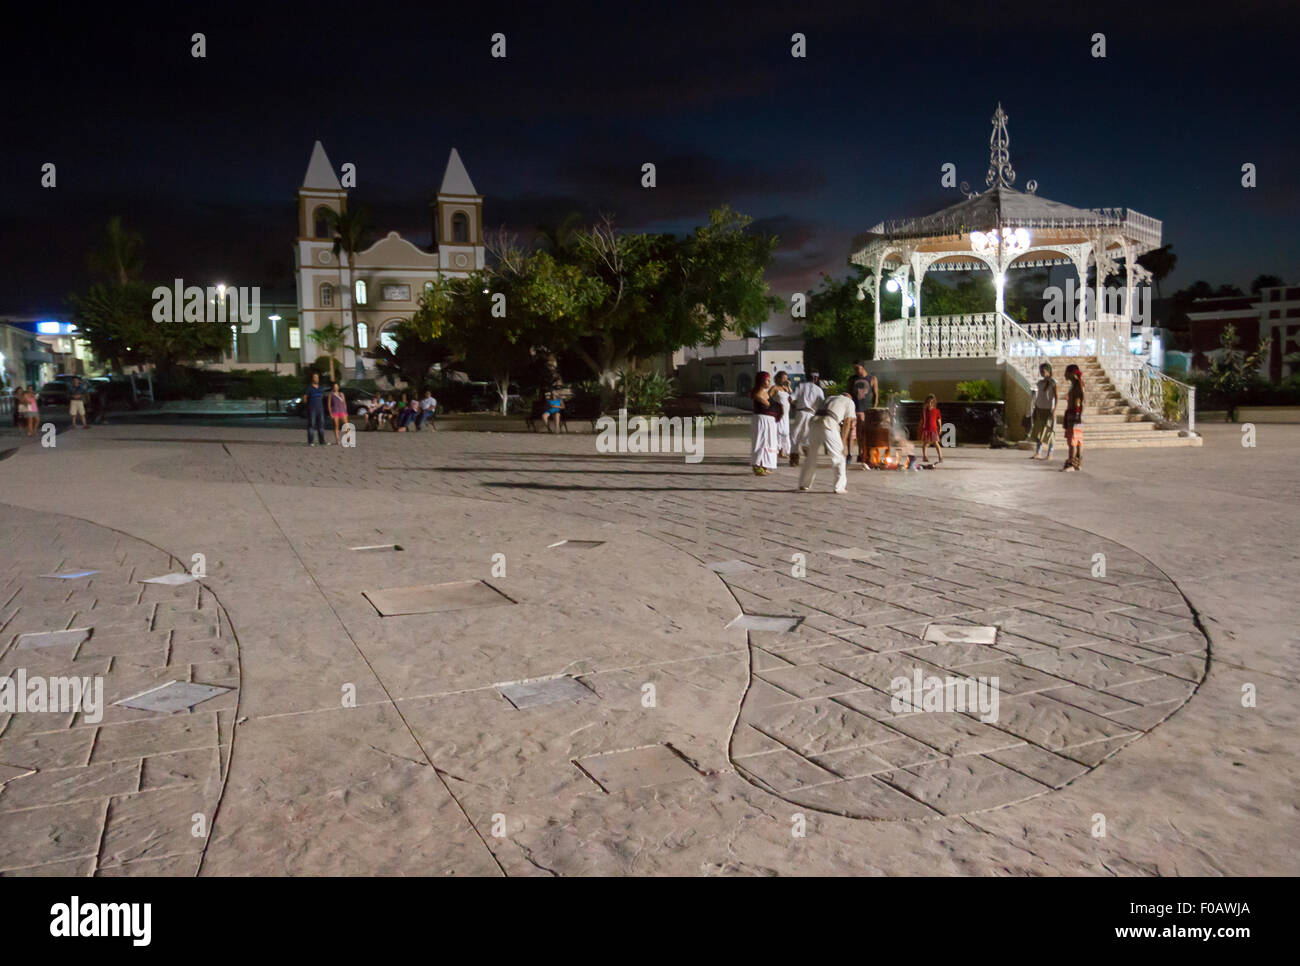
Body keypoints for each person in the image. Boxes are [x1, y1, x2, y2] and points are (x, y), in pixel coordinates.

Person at [798, 391, 856, 493]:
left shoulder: (830, 398)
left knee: (812, 456)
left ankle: (804, 484)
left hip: (814, 423)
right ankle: (839, 487)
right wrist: (843, 443)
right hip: (829, 423)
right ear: (849, 397)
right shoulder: (849, 402)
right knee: (839, 457)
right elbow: (847, 423)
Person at [788, 371, 824, 467]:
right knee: (807, 434)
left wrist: (794, 406)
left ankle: (794, 457)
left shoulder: (801, 386)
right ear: (816, 379)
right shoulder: (819, 390)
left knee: (795, 434)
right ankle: (806, 449)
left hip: (800, 412)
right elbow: (822, 405)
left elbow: (791, 398)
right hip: (811, 414)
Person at [750, 371, 781, 475]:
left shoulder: (765, 393)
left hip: (768, 421)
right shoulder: (758, 394)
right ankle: (757, 466)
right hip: (762, 421)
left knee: (767, 442)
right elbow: (766, 404)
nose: (769, 382)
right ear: (761, 381)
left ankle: (764, 465)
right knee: (761, 441)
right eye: (767, 380)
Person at [849, 362, 878, 465]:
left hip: (866, 410)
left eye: (858, 368)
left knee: (865, 434)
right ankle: (858, 453)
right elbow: (848, 393)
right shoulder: (852, 379)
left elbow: (876, 395)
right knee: (855, 434)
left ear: (863, 367)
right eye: (855, 369)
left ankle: (866, 454)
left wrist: (873, 409)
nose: (856, 371)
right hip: (854, 410)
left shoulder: (872, 379)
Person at [1029, 362, 1057, 461]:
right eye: (1040, 371)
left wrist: (1054, 409)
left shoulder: (1053, 382)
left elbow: (1056, 397)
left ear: (1048, 371)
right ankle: (1038, 452)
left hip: (1048, 409)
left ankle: (1050, 453)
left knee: (1049, 432)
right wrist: (1035, 408)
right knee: (1038, 432)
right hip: (1040, 408)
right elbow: (1038, 397)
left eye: (1043, 371)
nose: (1041, 372)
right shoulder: (1040, 383)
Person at [1061, 363, 1085, 472]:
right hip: (1075, 414)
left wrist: (1078, 415)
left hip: (1074, 415)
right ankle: (1077, 463)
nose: (1065, 374)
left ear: (1071, 373)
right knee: (1078, 440)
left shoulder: (1077, 385)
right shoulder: (1076, 384)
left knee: (1073, 441)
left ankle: (1071, 463)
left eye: (1066, 372)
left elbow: (1081, 401)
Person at [772, 371, 793, 461]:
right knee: (778, 432)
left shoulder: (785, 388)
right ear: (778, 378)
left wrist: (788, 386)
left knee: (785, 432)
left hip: (786, 415)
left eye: (786, 378)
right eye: (783, 378)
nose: (785, 380)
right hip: (779, 413)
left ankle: (785, 451)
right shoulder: (774, 388)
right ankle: (778, 451)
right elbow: (768, 397)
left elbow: (791, 397)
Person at [919, 394, 943, 464]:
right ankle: (925, 456)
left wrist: (940, 428)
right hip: (926, 429)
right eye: (928, 402)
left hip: (934, 429)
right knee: (925, 443)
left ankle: (940, 457)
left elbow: (939, 420)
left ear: (934, 403)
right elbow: (921, 420)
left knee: (936, 443)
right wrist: (920, 428)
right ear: (926, 402)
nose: (930, 404)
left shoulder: (936, 411)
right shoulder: (924, 411)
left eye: (931, 402)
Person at [305, 372, 326, 445]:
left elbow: (322, 397)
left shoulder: (321, 388)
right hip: (312, 410)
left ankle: (322, 441)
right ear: (312, 379)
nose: (316, 379)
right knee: (311, 425)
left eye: (317, 377)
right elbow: (305, 398)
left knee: (321, 425)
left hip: (320, 409)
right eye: (315, 377)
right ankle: (311, 441)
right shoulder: (309, 388)